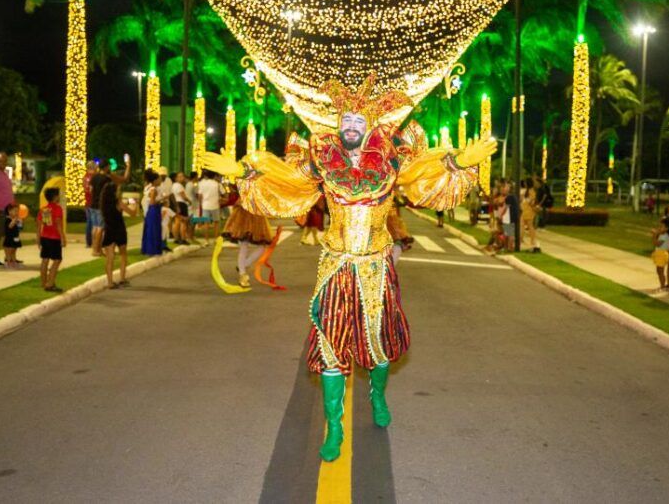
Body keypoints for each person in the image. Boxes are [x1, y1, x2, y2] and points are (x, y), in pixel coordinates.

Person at [206, 73, 494, 462]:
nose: (352, 126)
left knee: (378, 346)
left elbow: (421, 175)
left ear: (370, 126)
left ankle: (377, 395)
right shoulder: (323, 161)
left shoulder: (392, 160)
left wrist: (456, 161)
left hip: (376, 267)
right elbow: (289, 181)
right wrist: (244, 172)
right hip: (336, 265)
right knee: (330, 344)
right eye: (347, 121)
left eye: (359, 121)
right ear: (339, 125)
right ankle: (335, 427)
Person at [222, 199, 273, 288]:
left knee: (261, 247)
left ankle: (244, 265)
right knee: (244, 246)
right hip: (244, 215)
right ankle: (242, 274)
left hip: (256, 216)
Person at [90, 157, 131, 256]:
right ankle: (97, 250)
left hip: (93, 205)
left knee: (95, 227)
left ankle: (95, 248)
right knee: (101, 228)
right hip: (101, 206)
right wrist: (128, 166)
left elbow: (91, 190)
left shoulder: (94, 177)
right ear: (106, 167)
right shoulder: (107, 179)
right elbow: (123, 180)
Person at [101, 181, 138, 289]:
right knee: (123, 255)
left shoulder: (103, 204)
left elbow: (122, 205)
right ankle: (122, 278)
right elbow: (133, 213)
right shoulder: (119, 203)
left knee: (110, 258)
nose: (119, 191)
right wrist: (135, 204)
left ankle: (110, 282)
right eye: (118, 190)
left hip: (109, 230)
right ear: (114, 192)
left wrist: (128, 202)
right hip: (119, 230)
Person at [37, 187, 66, 292]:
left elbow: (39, 226)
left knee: (45, 259)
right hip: (54, 238)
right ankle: (50, 283)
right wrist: (62, 237)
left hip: (45, 237)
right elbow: (58, 224)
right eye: (58, 195)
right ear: (55, 197)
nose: (60, 196)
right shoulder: (57, 209)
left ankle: (43, 282)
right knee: (57, 260)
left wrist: (38, 239)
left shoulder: (44, 209)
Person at [195, 170, 223, 243]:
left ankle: (206, 240)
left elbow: (200, 196)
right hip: (215, 205)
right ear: (214, 176)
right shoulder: (217, 184)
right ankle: (216, 239)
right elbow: (222, 193)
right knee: (216, 222)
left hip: (205, 205)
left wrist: (201, 203)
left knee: (206, 223)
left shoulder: (201, 184)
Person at [141, 169, 164, 256]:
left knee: (150, 229)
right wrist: (162, 199)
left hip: (150, 210)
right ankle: (152, 249)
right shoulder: (153, 190)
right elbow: (152, 202)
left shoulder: (147, 187)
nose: (160, 181)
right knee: (153, 230)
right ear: (155, 181)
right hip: (153, 210)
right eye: (159, 179)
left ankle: (148, 248)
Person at [519, 178, 540, 252]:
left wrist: (527, 201)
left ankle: (532, 240)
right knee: (523, 225)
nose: (524, 184)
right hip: (525, 210)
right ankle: (521, 239)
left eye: (525, 182)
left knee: (529, 225)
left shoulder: (531, 191)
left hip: (529, 210)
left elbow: (531, 201)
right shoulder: (527, 191)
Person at [171, 171, 192, 245]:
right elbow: (183, 196)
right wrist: (189, 201)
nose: (182, 178)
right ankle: (183, 238)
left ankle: (176, 238)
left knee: (177, 222)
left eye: (182, 176)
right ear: (176, 178)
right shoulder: (179, 186)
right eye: (180, 176)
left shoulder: (173, 185)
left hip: (176, 204)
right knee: (184, 222)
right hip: (181, 204)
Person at [651, 217, 669, 290]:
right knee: (659, 271)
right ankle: (662, 285)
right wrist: (656, 234)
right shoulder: (662, 235)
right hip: (659, 253)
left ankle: (663, 286)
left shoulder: (665, 236)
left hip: (662, 254)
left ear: (667, 228)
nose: (659, 228)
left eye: (662, 226)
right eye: (659, 226)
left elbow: (657, 244)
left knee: (661, 271)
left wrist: (654, 235)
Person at [3, 203, 23, 268]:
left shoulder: (16, 219)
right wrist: (14, 220)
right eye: (15, 211)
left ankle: (14, 263)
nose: (17, 213)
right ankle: (8, 263)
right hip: (9, 238)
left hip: (16, 237)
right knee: (9, 251)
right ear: (9, 211)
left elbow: (20, 228)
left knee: (14, 251)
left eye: (17, 211)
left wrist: (20, 223)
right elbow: (10, 226)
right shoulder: (8, 219)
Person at [83, 161, 97, 248]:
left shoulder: (85, 177)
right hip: (93, 202)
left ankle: (88, 242)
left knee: (89, 222)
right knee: (95, 223)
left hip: (87, 202)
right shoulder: (94, 177)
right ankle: (93, 241)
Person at [503, 181, 519, 251]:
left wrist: (501, 215)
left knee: (509, 233)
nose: (504, 188)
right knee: (509, 232)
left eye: (506, 187)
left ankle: (509, 247)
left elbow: (506, 208)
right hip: (513, 216)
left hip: (509, 217)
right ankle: (509, 247)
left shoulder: (509, 197)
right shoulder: (513, 196)